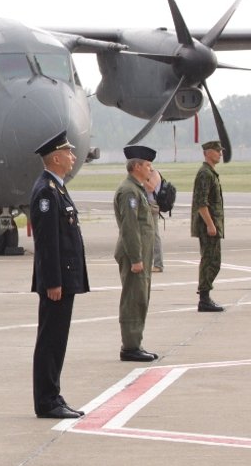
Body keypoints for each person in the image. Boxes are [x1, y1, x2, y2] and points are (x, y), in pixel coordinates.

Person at [29, 130, 89, 420]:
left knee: (57, 340)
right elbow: (47, 242)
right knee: (50, 341)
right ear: (55, 157)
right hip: (57, 282)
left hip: (64, 279)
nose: (73, 157)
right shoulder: (46, 192)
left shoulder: (58, 188)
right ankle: (47, 401)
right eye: (68, 153)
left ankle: (53, 394)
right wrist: (53, 280)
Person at [114, 146, 159, 362]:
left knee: (140, 298)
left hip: (141, 253)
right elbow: (129, 227)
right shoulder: (130, 191)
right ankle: (130, 347)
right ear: (137, 166)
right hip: (135, 254)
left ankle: (135, 343)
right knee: (133, 299)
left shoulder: (137, 188)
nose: (151, 169)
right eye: (148, 165)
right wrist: (136, 259)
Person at [192, 140, 226, 312]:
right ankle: (204, 299)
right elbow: (201, 203)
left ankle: (205, 296)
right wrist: (210, 225)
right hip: (208, 227)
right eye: (217, 150)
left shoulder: (210, 173)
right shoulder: (205, 173)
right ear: (207, 152)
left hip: (213, 225)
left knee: (214, 261)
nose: (220, 153)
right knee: (209, 261)